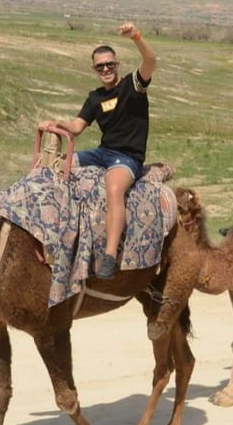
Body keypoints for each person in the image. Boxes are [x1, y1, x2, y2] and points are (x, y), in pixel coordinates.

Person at [38, 22, 156, 279]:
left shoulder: (132, 86)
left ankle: (110, 256)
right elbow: (77, 127)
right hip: (102, 152)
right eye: (100, 66)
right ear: (94, 69)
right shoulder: (94, 98)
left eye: (110, 65)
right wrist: (56, 124)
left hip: (127, 156)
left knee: (113, 189)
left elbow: (150, 59)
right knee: (55, 166)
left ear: (117, 65)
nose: (105, 69)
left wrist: (136, 36)